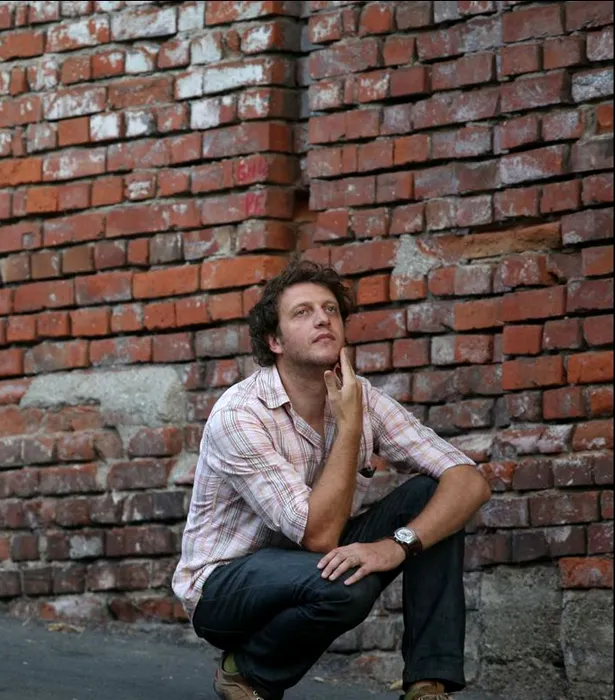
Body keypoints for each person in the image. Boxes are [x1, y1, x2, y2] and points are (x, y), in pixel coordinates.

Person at [172, 258, 492, 700]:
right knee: (345, 586)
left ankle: (426, 686)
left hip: (309, 561)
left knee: (433, 495)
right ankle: (245, 670)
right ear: (274, 341)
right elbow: (320, 536)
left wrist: (395, 546)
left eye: (330, 310)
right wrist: (349, 426)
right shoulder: (240, 415)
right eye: (302, 312)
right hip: (225, 586)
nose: (323, 319)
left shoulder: (361, 397)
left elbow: (470, 481)